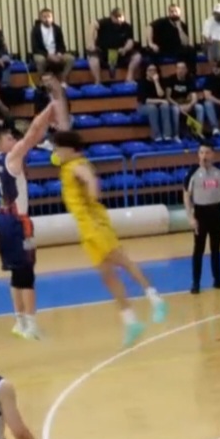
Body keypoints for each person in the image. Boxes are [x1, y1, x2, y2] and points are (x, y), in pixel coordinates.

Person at [52, 129, 168, 346]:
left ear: (69, 149)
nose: (56, 152)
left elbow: (89, 178)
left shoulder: (77, 165)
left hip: (95, 225)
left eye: (59, 148)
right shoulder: (68, 166)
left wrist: (92, 190)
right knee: (108, 276)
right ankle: (131, 321)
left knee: (123, 261)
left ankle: (156, 299)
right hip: (86, 230)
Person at [0, 84, 62, 340]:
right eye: (10, 138)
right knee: (28, 272)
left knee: (15, 272)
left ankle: (19, 321)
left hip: (3, 219)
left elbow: (32, 137)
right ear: (1, 143)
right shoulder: (10, 158)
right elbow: (33, 134)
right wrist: (50, 107)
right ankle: (31, 324)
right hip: (18, 222)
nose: (14, 141)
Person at [183, 144, 220, 293]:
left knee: (216, 248)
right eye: (201, 153)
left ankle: (217, 279)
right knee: (198, 249)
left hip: (216, 212)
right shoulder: (193, 173)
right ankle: (196, 283)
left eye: (207, 153)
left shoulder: (219, 171)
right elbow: (186, 195)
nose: (204, 156)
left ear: (213, 154)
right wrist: (190, 217)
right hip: (201, 213)